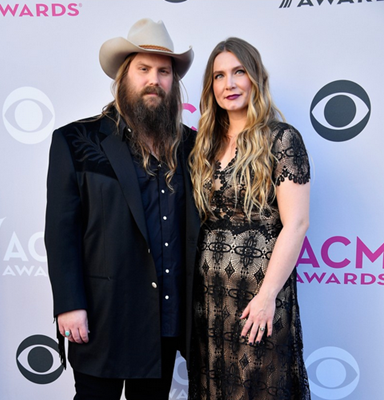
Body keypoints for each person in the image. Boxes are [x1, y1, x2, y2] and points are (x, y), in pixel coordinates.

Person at [44, 18, 199, 400]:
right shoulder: (76, 140)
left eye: (164, 72)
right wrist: (69, 304)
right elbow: (61, 231)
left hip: (164, 318)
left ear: (173, 84)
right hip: (101, 315)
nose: (154, 80)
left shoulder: (193, 146)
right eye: (143, 69)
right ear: (123, 77)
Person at [188, 37, 311, 399]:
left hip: (259, 294)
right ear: (211, 87)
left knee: (259, 388)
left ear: (255, 77)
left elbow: (297, 223)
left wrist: (267, 295)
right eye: (219, 76)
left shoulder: (282, 139)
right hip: (210, 298)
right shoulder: (203, 144)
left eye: (239, 72)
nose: (229, 84)